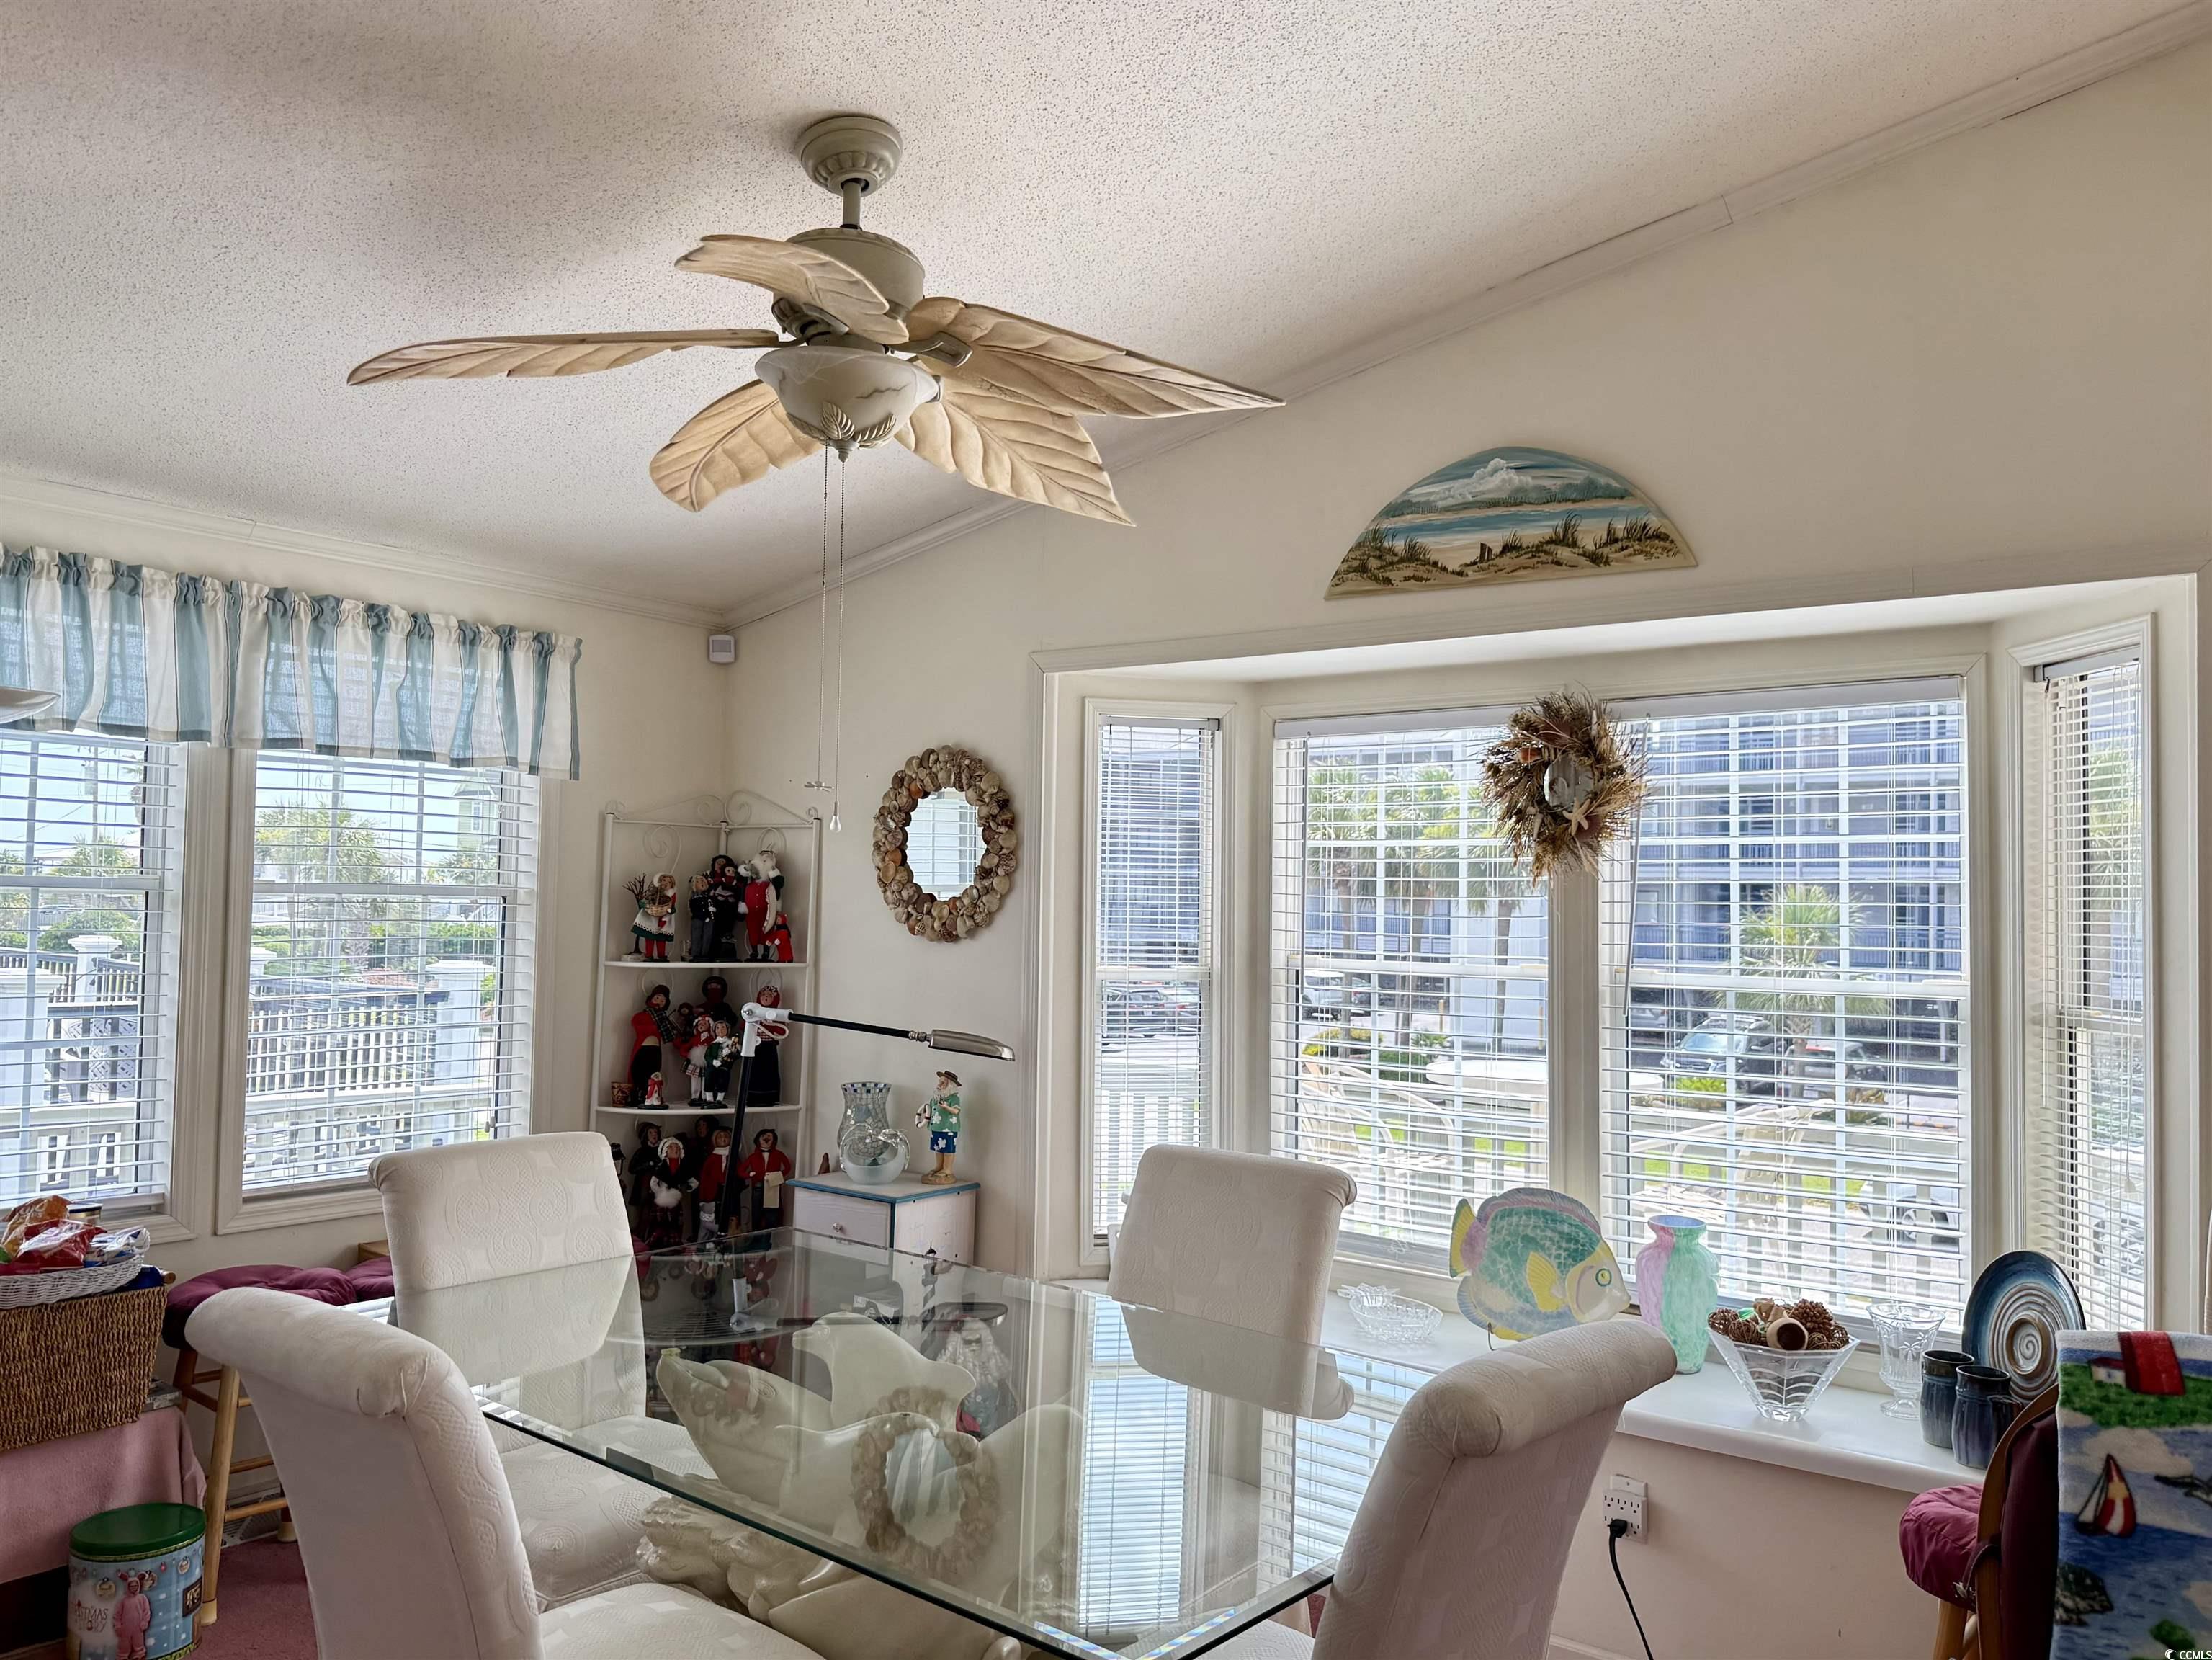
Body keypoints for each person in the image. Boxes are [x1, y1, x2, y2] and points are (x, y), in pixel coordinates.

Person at [738, 1125, 793, 1230]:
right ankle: (756, 1237)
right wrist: (749, 1175)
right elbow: (741, 1171)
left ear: (774, 1141)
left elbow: (788, 1167)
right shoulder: (753, 1156)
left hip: (773, 1186)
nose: (766, 1138)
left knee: (772, 1213)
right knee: (757, 1212)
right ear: (758, 1140)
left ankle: (768, 1238)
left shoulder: (778, 1154)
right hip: (757, 1186)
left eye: (769, 1136)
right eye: (763, 1136)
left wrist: (778, 1176)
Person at [629, 985, 676, 1102]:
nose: (659, 1001)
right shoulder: (642, 1016)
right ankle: (639, 1094)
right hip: (643, 1050)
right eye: (658, 997)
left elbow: (670, 1035)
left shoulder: (664, 1019)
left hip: (655, 1051)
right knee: (639, 1071)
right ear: (651, 998)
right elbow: (640, 1027)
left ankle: (652, 1094)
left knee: (653, 1073)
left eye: (663, 1000)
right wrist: (656, 1027)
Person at [916, 1071, 963, 1184]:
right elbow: (930, 1109)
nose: (939, 1085)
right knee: (938, 1148)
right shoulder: (936, 1098)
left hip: (948, 1128)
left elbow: (956, 1111)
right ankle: (939, 1166)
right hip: (936, 1127)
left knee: (948, 1149)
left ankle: (947, 1169)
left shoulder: (954, 1099)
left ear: (950, 1086)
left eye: (943, 1083)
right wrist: (923, 1111)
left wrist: (947, 1107)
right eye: (940, 1082)